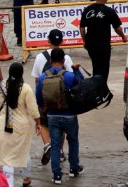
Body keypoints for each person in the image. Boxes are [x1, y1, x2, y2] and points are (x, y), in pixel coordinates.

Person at [35, 49, 85, 185]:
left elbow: (38, 96)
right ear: (63, 61)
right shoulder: (69, 76)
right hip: (70, 115)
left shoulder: (43, 77)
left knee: (56, 145)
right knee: (73, 141)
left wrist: (43, 108)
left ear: (50, 61)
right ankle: (74, 168)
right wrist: (76, 71)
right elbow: (82, 86)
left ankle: (57, 175)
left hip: (52, 116)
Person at [0, 63, 41, 187]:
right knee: (24, 152)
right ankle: (26, 178)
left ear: (9, 73)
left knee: (6, 158)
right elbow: (33, 109)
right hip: (22, 127)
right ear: (21, 73)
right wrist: (38, 123)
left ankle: (9, 184)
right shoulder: (26, 88)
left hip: (3, 126)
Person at [30, 30, 74, 167]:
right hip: (62, 99)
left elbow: (37, 80)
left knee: (43, 124)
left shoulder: (39, 57)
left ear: (48, 40)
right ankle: (60, 151)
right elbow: (71, 79)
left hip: (44, 97)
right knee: (60, 126)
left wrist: (39, 100)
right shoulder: (66, 58)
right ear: (61, 41)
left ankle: (48, 145)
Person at [80, 0, 127, 83]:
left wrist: (84, 41)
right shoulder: (109, 11)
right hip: (103, 45)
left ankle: (95, 87)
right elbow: (117, 28)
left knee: (96, 66)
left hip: (91, 45)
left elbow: (82, 28)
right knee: (104, 69)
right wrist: (123, 37)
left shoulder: (87, 10)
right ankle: (101, 88)